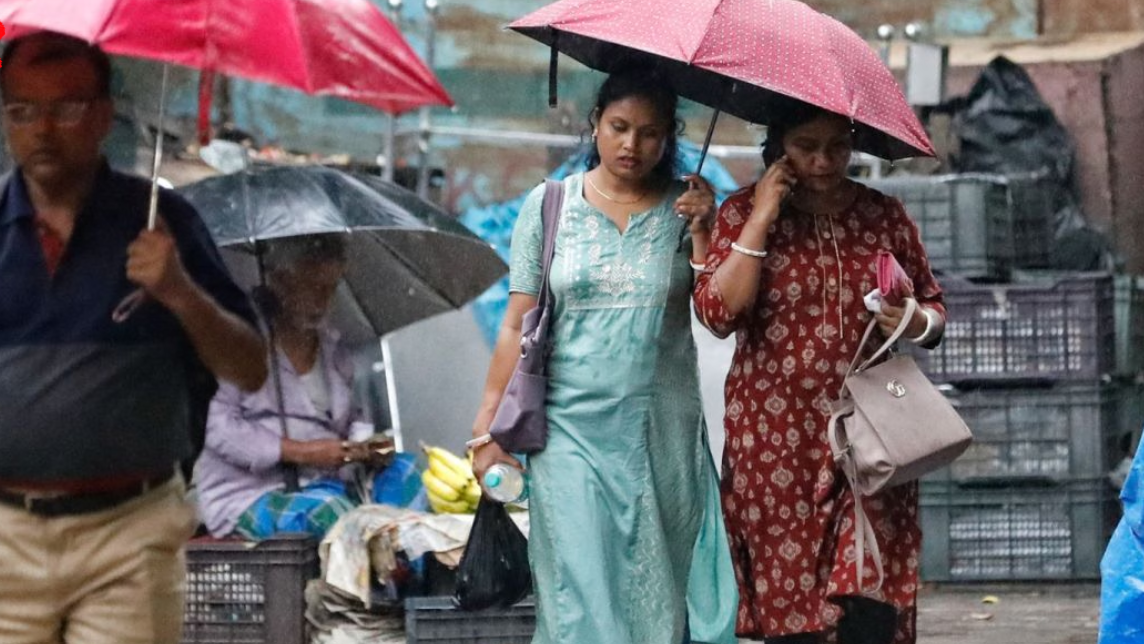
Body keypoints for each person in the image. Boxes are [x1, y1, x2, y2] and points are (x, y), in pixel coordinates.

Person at [0, 31, 267, 641]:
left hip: (128, 539)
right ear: (4, 119)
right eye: (23, 110)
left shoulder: (165, 225)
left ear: (104, 115)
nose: (43, 130)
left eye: (67, 107)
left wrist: (180, 290)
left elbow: (250, 367)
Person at [469, 67, 738, 644]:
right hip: (568, 433)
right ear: (594, 125)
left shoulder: (686, 211)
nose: (631, 145)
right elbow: (516, 321)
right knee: (578, 595)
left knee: (655, 597)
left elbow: (721, 312)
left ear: (670, 137)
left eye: (649, 132)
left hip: (658, 433)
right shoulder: (550, 206)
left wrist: (705, 232)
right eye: (618, 127)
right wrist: (486, 424)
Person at [692, 104, 946, 644]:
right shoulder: (741, 212)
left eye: (837, 145)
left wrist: (911, 319)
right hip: (774, 438)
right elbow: (717, 315)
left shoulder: (884, 215)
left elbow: (933, 311)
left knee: (868, 595)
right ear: (779, 145)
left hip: (872, 433)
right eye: (807, 145)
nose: (824, 159)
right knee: (792, 602)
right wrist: (762, 212)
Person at [196, 234, 422, 541]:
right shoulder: (236, 341)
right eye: (312, 287)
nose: (322, 300)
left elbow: (353, 418)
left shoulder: (333, 349)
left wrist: (363, 447)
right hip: (251, 494)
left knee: (408, 475)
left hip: (329, 483)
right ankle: (354, 587)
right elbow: (216, 426)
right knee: (331, 511)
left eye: (329, 289)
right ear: (279, 281)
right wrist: (298, 452)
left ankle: (403, 582)